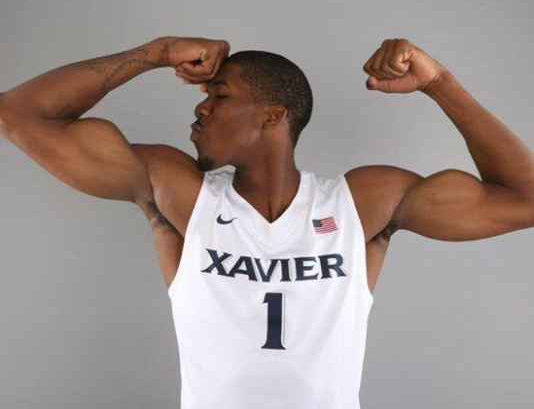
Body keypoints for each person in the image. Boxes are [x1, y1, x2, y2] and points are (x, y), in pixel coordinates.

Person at [1, 36, 534, 409]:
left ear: (273, 116)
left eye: (219, 96)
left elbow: (524, 199)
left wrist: (439, 82)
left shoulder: (362, 203)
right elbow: (18, 115)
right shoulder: (180, 193)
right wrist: (156, 53)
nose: (201, 110)